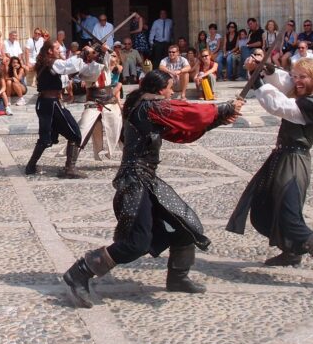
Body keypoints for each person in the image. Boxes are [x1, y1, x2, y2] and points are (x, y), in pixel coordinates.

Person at [62, 70, 242, 308]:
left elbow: (182, 132)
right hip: (135, 182)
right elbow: (187, 112)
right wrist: (224, 108)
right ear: (160, 90)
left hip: (147, 181)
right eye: (169, 88)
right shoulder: (149, 108)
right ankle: (79, 272)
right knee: (136, 243)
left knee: (186, 225)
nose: (171, 92)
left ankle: (178, 277)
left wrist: (218, 119)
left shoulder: (149, 109)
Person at [228, 50, 313, 295]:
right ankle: (292, 252)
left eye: (303, 77)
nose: (298, 81)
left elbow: (280, 105)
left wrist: (259, 82)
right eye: (296, 76)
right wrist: (269, 69)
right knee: (264, 208)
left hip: (294, 163)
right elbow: (285, 83)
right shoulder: (303, 92)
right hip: (281, 158)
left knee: (291, 218)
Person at [24, 39, 86, 177]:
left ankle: (31, 166)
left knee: (47, 138)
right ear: (50, 51)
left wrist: (86, 57)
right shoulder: (51, 63)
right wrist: (82, 55)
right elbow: (66, 66)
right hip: (50, 104)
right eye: (57, 48)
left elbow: (69, 70)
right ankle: (69, 169)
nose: (60, 51)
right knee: (74, 134)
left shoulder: (49, 63)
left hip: (49, 103)